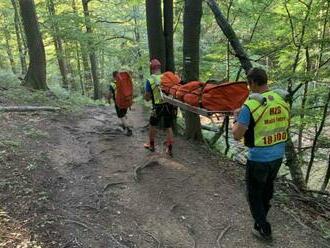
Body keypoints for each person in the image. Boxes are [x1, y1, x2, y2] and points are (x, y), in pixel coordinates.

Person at [232, 68, 290, 241]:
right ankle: (260, 221)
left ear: (254, 83)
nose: (249, 88)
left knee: (254, 194)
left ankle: (264, 229)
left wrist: (236, 118)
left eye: (249, 84)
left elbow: (237, 134)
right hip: (278, 156)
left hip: (259, 159)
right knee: (266, 190)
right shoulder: (280, 100)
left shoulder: (250, 106)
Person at [144, 59, 174, 156]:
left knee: (152, 125)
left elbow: (147, 98)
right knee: (168, 127)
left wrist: (147, 96)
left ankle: (151, 145)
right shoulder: (167, 77)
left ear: (151, 69)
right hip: (169, 105)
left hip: (157, 106)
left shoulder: (150, 80)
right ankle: (169, 149)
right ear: (159, 68)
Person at [108, 71, 132, 136]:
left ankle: (128, 129)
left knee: (121, 116)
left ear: (113, 77)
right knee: (123, 114)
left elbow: (110, 94)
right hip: (126, 100)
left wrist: (109, 99)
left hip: (118, 102)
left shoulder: (112, 84)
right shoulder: (124, 82)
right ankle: (124, 125)